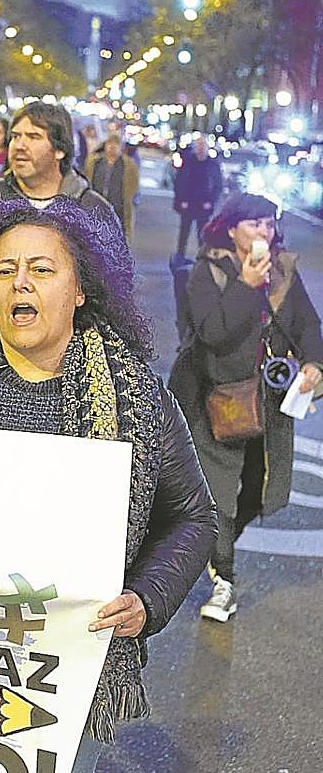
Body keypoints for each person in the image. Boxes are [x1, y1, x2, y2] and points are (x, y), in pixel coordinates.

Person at [0, 197, 216, 773]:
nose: (21, 282)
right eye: (4, 270)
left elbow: (192, 517)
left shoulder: (137, 400)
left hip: (67, 673)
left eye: (42, 269)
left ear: (80, 290)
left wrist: (146, 600)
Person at [167, 192, 322, 623]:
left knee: (260, 489)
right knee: (219, 496)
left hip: (266, 403)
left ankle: (211, 544)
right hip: (214, 402)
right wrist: (246, 287)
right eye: (254, 224)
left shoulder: (284, 273)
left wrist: (313, 364)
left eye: (269, 224)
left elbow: (307, 324)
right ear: (232, 229)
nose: (264, 233)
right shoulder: (208, 272)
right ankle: (224, 580)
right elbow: (214, 333)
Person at [0, 102, 119, 238]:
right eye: (15, 136)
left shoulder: (93, 211)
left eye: (33, 137)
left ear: (60, 150)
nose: (19, 146)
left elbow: (115, 279)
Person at [172, 137, 223, 260]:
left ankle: (202, 256)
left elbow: (218, 185)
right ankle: (180, 255)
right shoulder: (189, 162)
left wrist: (211, 201)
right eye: (199, 147)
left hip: (204, 203)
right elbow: (180, 181)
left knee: (203, 232)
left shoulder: (212, 165)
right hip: (188, 202)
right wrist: (181, 199)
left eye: (203, 147)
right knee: (184, 231)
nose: (201, 150)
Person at [86, 133, 140, 241]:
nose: (112, 146)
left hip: (118, 211)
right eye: (110, 143)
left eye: (116, 143)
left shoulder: (128, 165)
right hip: (95, 210)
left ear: (121, 147)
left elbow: (133, 185)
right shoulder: (94, 162)